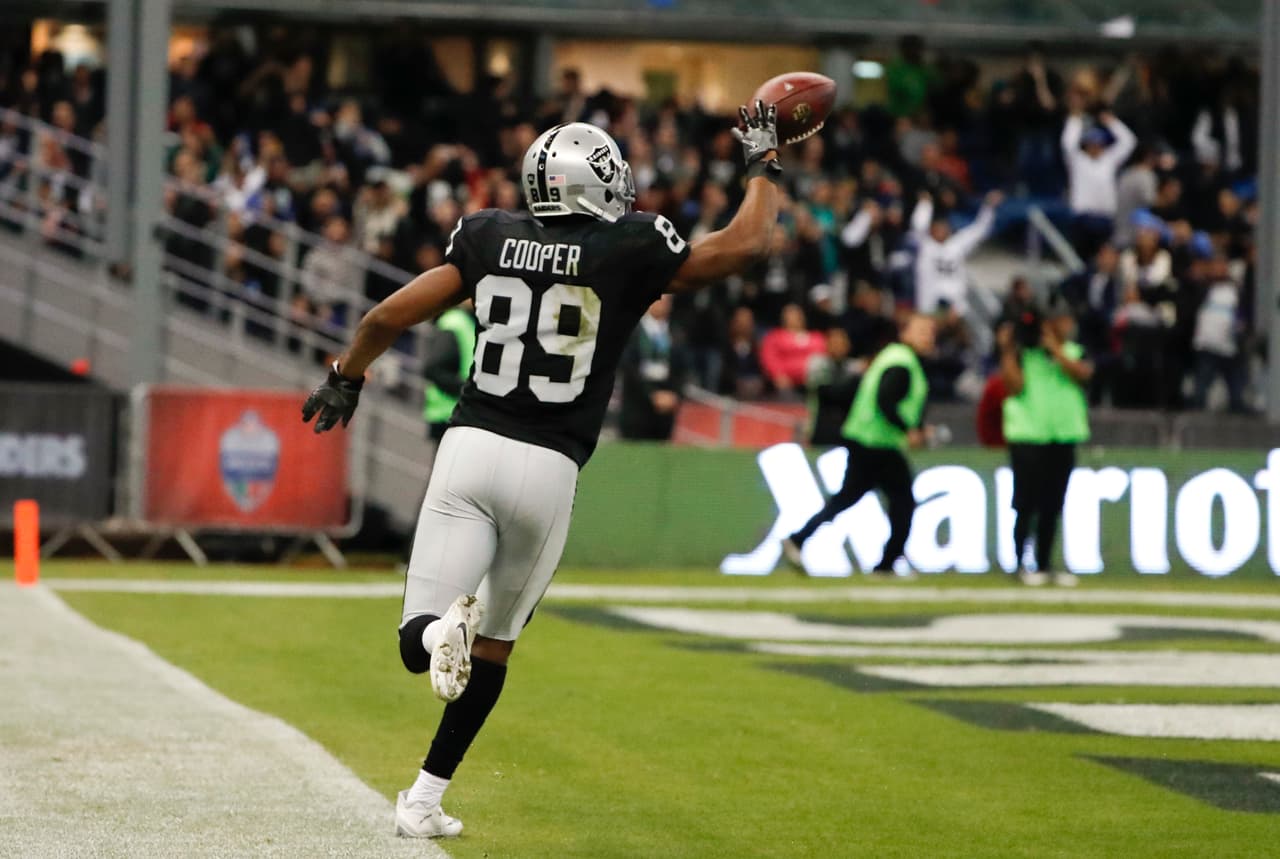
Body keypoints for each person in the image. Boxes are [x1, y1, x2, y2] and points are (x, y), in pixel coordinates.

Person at [301, 103, 784, 839]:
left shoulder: (487, 235)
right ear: (592, 184)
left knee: (415, 637)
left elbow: (385, 318)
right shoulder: (630, 245)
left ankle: (437, 642)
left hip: (468, 448)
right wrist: (763, 162)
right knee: (494, 645)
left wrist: (347, 376)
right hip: (550, 465)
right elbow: (745, 247)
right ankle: (423, 797)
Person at [781, 313, 937, 577]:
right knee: (903, 502)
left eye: (930, 331)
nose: (928, 337)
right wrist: (908, 429)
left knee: (847, 498)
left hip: (865, 438)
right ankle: (886, 565)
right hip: (878, 442)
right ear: (905, 333)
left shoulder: (892, 356)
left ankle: (798, 538)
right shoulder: (902, 362)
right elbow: (885, 399)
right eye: (921, 330)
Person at [996, 296, 1092, 587]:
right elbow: (1014, 385)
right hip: (1027, 434)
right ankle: (1017, 563)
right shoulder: (1024, 354)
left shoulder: (1073, 351)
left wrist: (1056, 350)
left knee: (1053, 503)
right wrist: (1008, 350)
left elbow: (1083, 375)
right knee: (1025, 502)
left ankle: (1044, 563)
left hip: (1062, 435)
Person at [910, 189, 1002, 317]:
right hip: (928, 305)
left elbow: (980, 229)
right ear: (931, 229)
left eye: (944, 227)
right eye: (937, 227)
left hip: (954, 307)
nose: (941, 230)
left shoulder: (957, 244)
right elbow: (918, 226)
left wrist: (988, 207)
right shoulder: (925, 244)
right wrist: (925, 205)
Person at [619, 293, 688, 440]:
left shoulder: (677, 333)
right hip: (636, 406)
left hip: (666, 406)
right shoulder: (632, 330)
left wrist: (674, 395)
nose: (662, 303)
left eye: (667, 301)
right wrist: (652, 395)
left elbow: (683, 369)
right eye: (659, 299)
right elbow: (629, 367)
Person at [422, 301, 476, 443]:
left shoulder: (470, 322)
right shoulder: (456, 322)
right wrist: (472, 392)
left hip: (460, 416)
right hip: (449, 416)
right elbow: (434, 369)